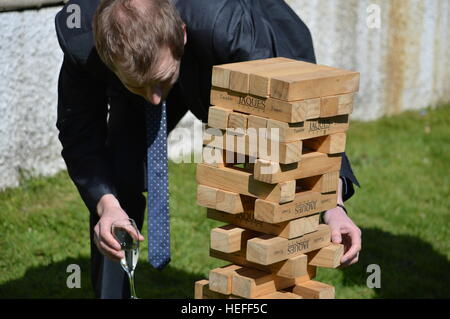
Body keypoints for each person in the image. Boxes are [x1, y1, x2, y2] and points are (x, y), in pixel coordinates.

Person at [55, 0, 361, 299]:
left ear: (182, 34)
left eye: (161, 83)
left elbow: (302, 120)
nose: (155, 100)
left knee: (269, 171)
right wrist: (106, 205)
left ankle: (271, 290)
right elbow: (80, 133)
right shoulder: (83, 37)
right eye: (142, 88)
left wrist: (331, 204)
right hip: (152, 63)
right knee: (116, 178)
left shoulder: (227, 24)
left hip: (244, 46)